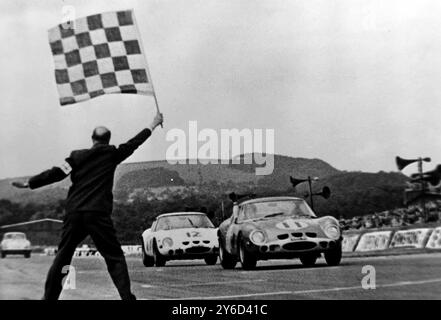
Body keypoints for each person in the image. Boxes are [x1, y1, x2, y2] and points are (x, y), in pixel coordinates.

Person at [12, 112, 164, 300]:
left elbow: (56, 173)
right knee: (114, 256)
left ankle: (49, 298)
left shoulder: (76, 157)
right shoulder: (112, 154)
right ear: (108, 140)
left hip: (75, 212)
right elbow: (134, 143)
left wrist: (30, 183)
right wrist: (153, 124)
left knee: (63, 257)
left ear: (92, 139)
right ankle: (126, 297)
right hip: (98, 214)